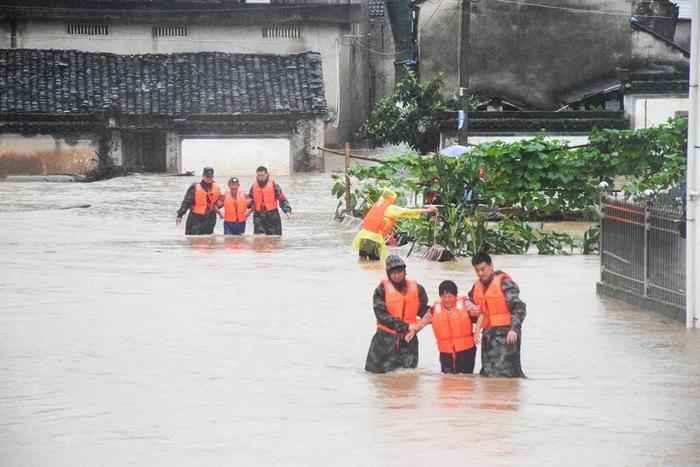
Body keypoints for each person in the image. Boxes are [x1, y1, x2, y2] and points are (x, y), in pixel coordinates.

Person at [364, 255, 431, 374]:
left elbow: (425, 311)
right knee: (376, 377)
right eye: (393, 273)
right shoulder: (381, 290)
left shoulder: (418, 289)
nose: (397, 275)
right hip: (384, 340)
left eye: (400, 271)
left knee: (408, 377)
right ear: (388, 274)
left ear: (405, 272)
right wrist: (406, 326)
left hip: (409, 340)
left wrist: (416, 328)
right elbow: (381, 316)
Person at [468, 252, 526, 378]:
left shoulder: (504, 283)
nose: (480, 273)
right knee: (488, 376)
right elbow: (470, 303)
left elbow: (519, 308)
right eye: (477, 270)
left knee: (507, 377)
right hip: (488, 338)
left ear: (491, 266)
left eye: (483, 269)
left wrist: (514, 329)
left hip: (507, 337)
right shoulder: (476, 287)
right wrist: (473, 310)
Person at [351, 188, 438, 262]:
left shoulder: (378, 204)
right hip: (375, 239)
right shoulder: (390, 208)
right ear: (391, 199)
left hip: (364, 235)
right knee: (374, 264)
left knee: (362, 260)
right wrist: (428, 210)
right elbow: (407, 212)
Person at [415, 280, 483, 374]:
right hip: (445, 353)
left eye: (450, 296)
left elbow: (481, 313)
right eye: (443, 296)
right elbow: (422, 322)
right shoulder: (435, 310)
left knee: (466, 382)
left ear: (455, 295)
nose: (447, 299)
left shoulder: (465, 304)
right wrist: (412, 332)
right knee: (447, 382)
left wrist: (477, 332)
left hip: (466, 352)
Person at [176, 167, 223, 235]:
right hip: (196, 218)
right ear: (203, 176)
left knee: (209, 240)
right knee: (193, 240)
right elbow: (186, 202)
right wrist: (180, 215)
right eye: (207, 176)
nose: (209, 178)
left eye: (210, 177)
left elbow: (218, 203)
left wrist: (220, 209)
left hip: (210, 218)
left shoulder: (216, 188)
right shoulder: (194, 187)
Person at [247, 166, 291, 235]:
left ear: (267, 174)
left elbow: (282, 199)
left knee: (275, 239)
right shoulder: (254, 185)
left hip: (272, 216)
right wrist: (248, 207)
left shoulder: (273, 185)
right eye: (259, 176)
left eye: (262, 176)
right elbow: (249, 200)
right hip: (258, 216)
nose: (260, 178)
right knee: (258, 240)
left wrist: (287, 211)